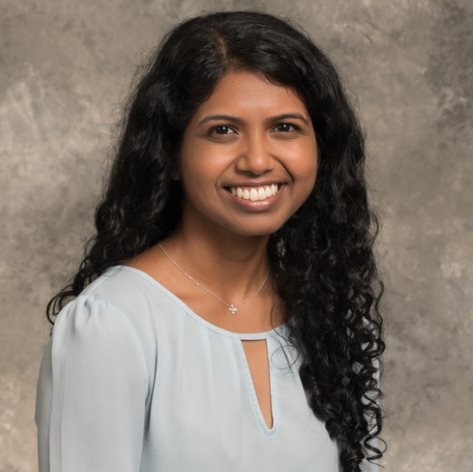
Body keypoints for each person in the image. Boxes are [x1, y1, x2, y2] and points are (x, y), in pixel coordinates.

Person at [35, 10, 385, 472]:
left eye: (285, 127)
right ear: (171, 155)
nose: (258, 160)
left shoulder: (330, 313)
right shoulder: (113, 326)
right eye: (223, 130)